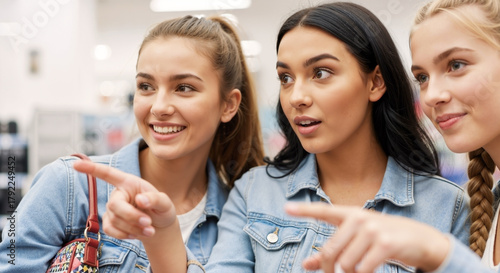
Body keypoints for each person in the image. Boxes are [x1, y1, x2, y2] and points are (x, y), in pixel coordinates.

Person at [73, 2, 471, 273]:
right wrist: (162, 231)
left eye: (321, 73)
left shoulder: (445, 207)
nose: (296, 96)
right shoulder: (255, 192)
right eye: (285, 78)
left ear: (376, 81)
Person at [0, 15, 264, 272]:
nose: (159, 107)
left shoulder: (241, 216)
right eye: (146, 86)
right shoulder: (68, 184)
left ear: (228, 105)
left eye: (184, 87)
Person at [285, 0, 500, 272]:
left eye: (456, 65)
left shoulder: (450, 209)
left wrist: (439, 252)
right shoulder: (491, 211)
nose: (432, 96)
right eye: (422, 78)